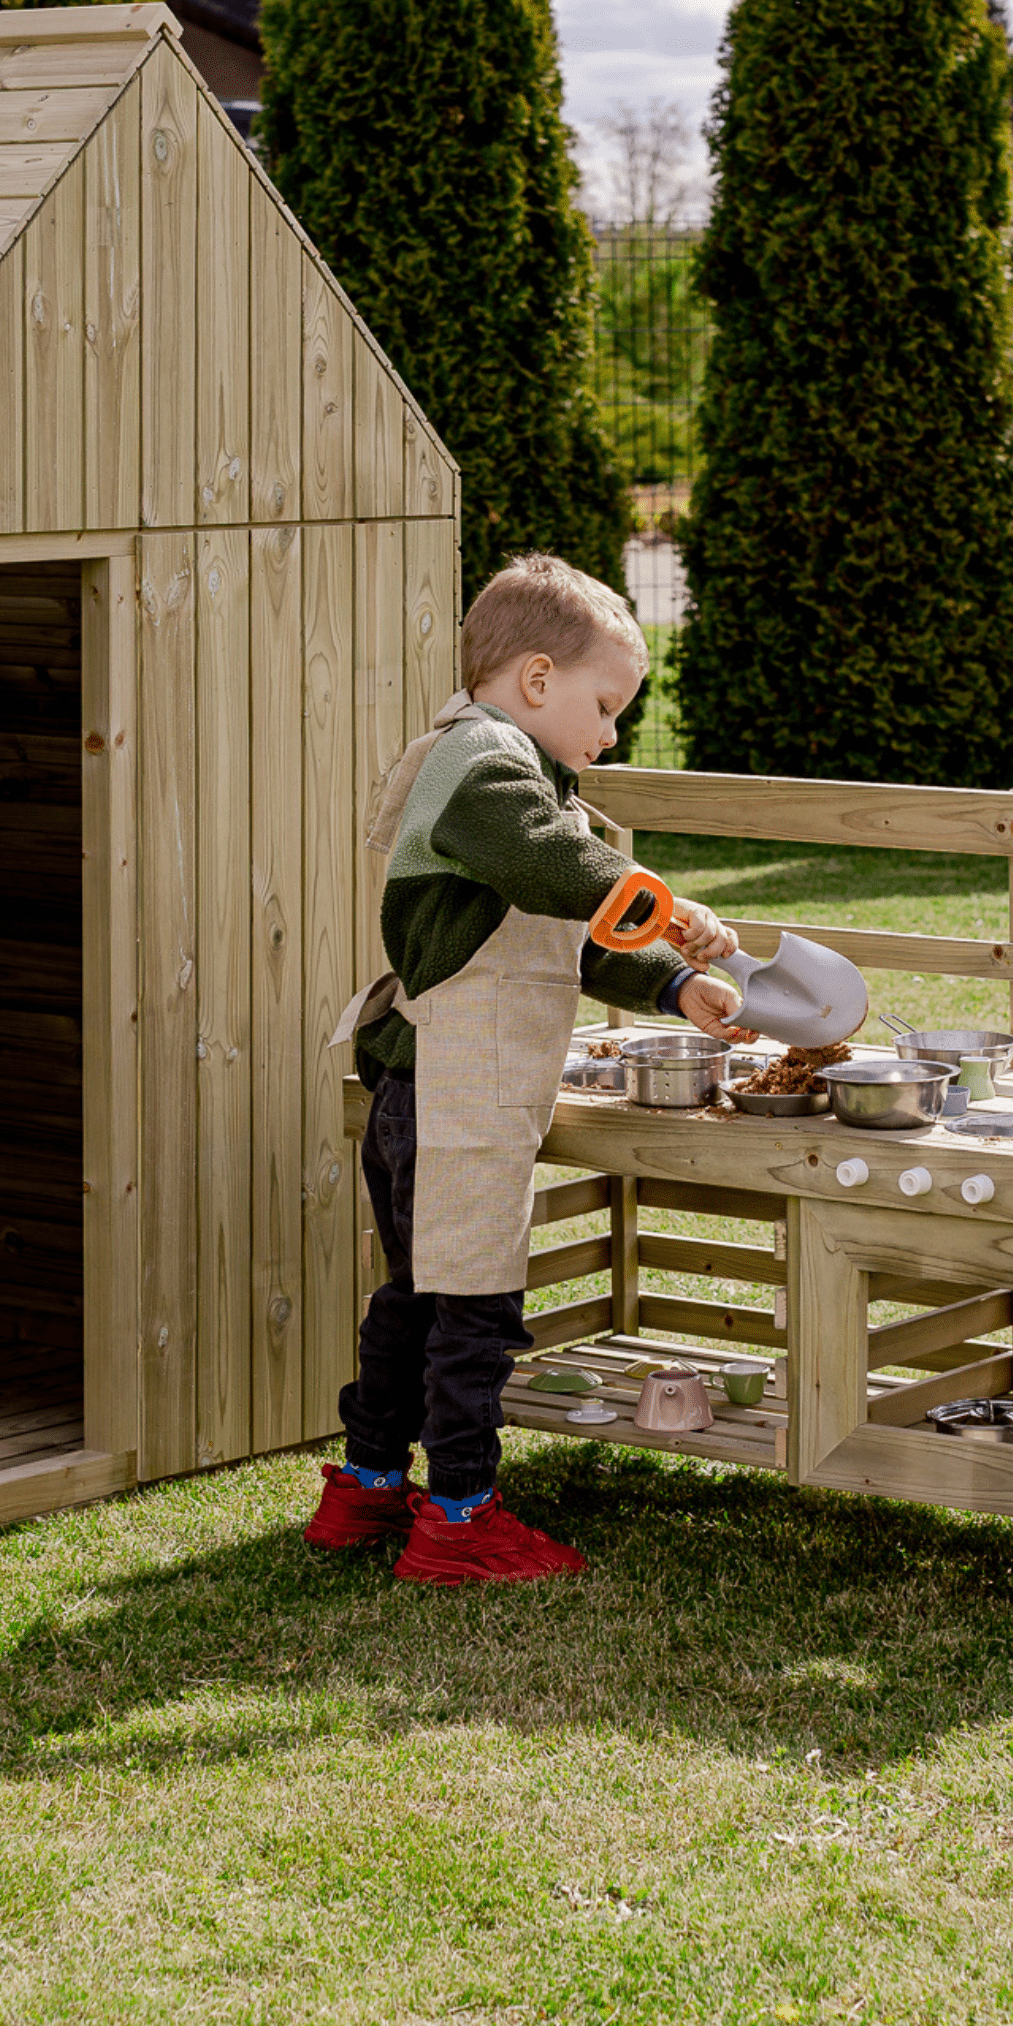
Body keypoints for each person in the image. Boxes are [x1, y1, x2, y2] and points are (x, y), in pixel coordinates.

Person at [307, 553, 748, 1585]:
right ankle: (460, 1517)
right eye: (604, 708)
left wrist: (672, 985)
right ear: (537, 678)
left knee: (416, 1298)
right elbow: (552, 861)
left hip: (434, 1090)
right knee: (474, 1305)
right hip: (450, 1092)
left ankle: (367, 1485)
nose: (606, 737)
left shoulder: (518, 785)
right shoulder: (480, 766)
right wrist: (665, 904)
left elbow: (568, 930)